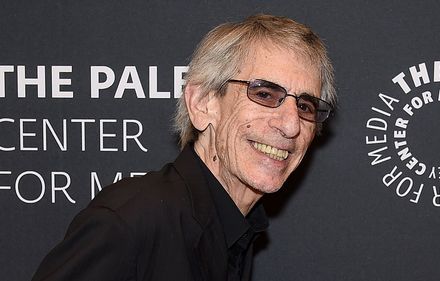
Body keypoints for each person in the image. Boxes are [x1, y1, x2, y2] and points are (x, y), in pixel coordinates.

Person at [31, 14, 335, 281]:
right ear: (202, 104)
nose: (292, 125)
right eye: (265, 94)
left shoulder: (236, 231)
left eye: (306, 106)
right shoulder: (132, 223)